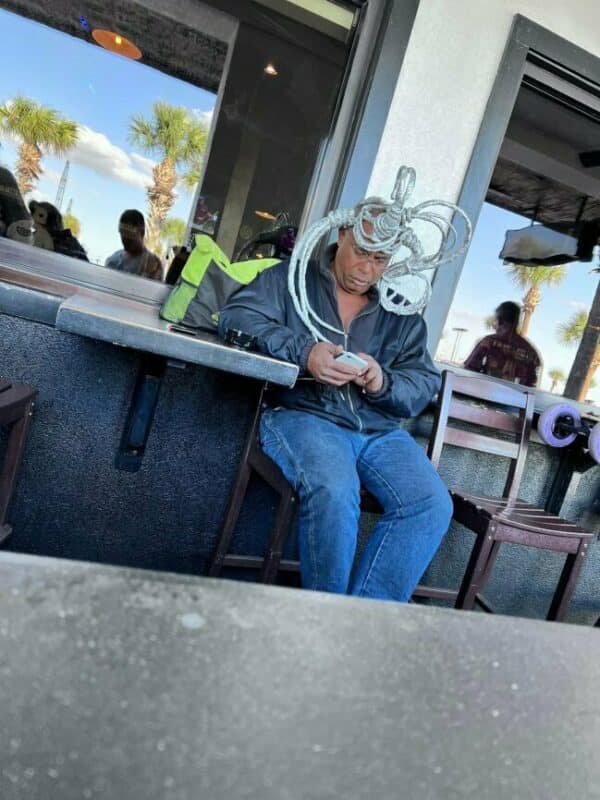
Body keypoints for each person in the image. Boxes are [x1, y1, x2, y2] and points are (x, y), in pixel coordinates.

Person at [218, 200, 453, 602]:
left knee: (430, 504)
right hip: (303, 415)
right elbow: (235, 317)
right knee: (335, 488)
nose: (367, 269)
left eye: (380, 260)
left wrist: (381, 380)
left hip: (377, 429)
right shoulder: (291, 280)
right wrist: (304, 351)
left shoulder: (401, 313)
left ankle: (358, 622)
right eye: (362, 252)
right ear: (342, 234)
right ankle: (324, 620)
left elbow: (420, 384)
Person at [463, 301, 541, 387]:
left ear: (499, 321)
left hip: (484, 394)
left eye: (495, 320)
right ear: (516, 323)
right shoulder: (531, 351)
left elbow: (469, 370)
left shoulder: (488, 342)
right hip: (515, 399)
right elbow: (531, 385)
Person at [105, 209, 162, 281]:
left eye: (129, 234)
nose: (125, 239)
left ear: (142, 232)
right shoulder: (113, 260)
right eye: (122, 233)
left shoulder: (153, 264)